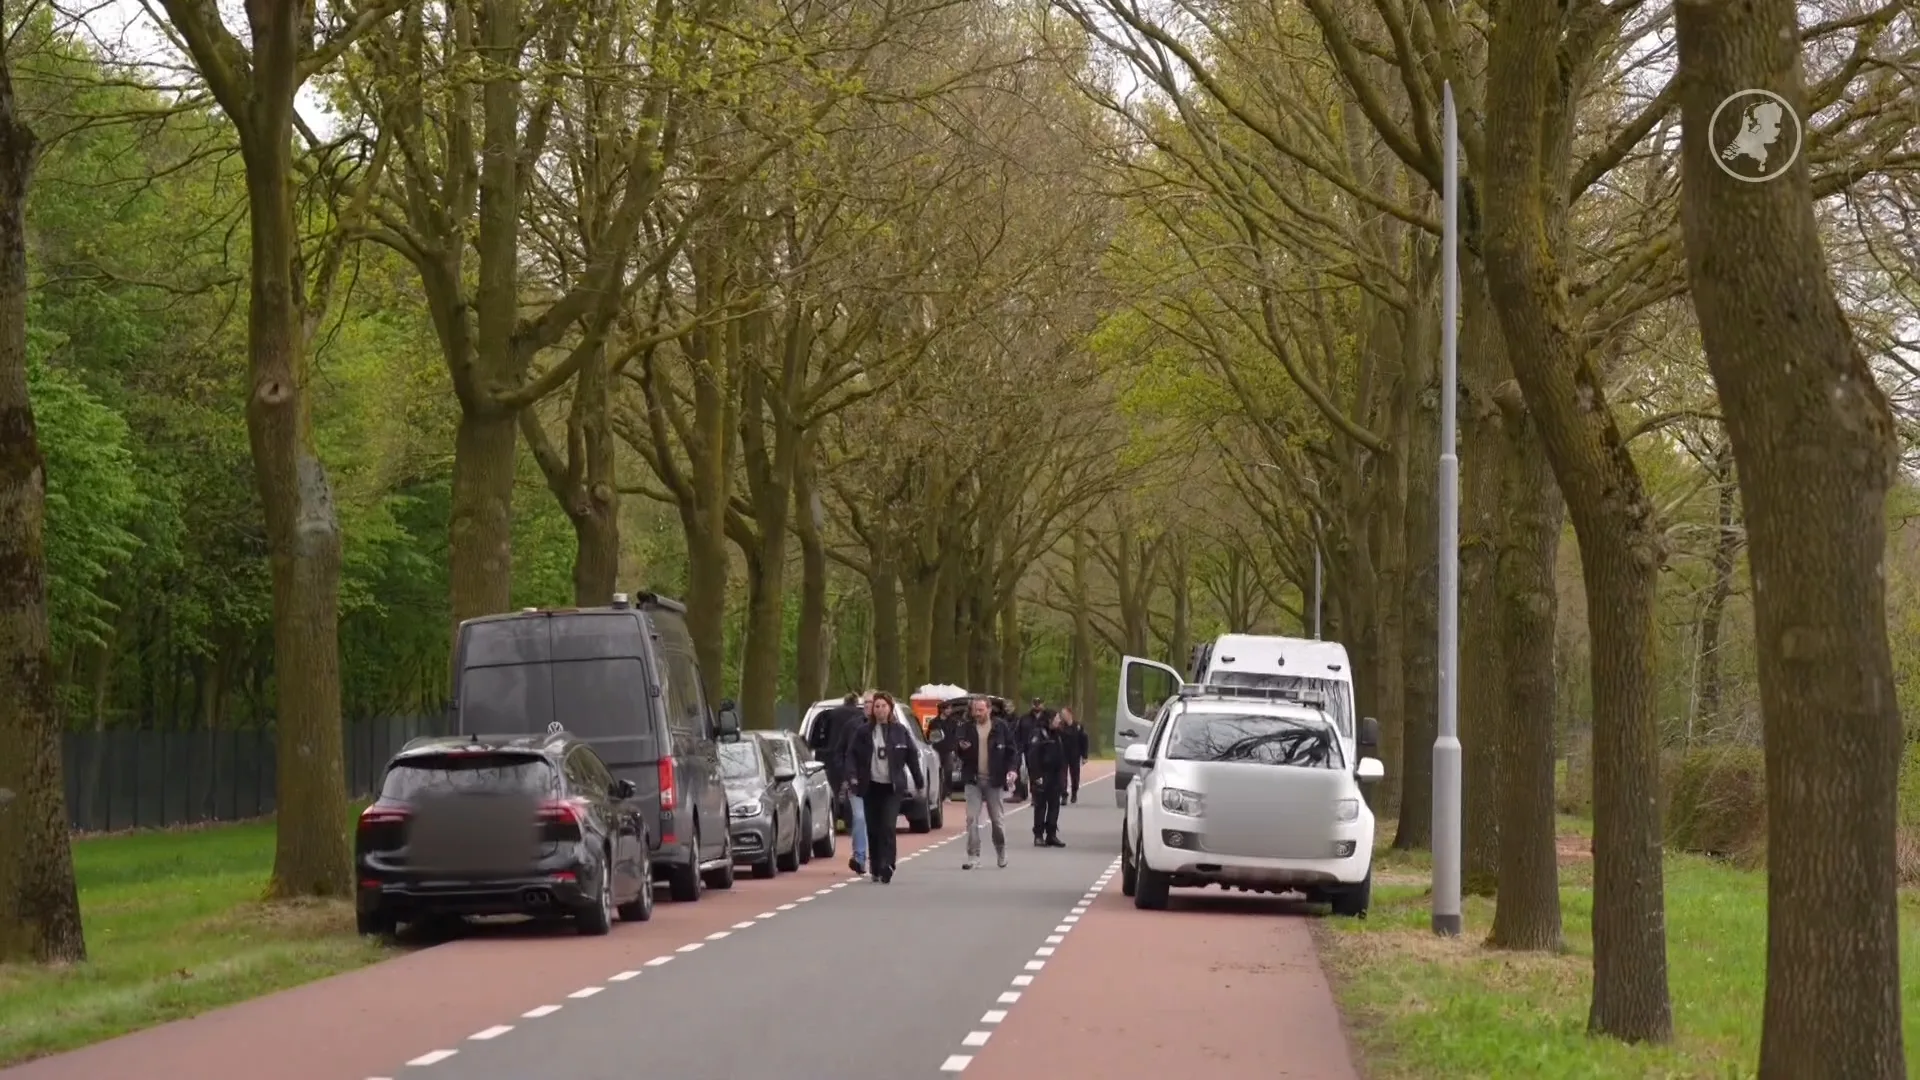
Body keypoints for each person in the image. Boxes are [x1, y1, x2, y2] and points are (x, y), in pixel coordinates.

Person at [840, 691, 924, 883]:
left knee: (887, 825)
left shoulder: (900, 731)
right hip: (870, 786)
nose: (880, 710)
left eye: (883, 706)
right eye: (876, 706)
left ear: (890, 708)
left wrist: (919, 782)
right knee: (874, 827)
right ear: (871, 710)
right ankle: (876, 866)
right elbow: (851, 756)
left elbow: (911, 757)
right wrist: (852, 777)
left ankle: (888, 864)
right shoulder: (863, 732)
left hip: (892, 787)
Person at [951, 697, 1019, 869]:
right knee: (971, 818)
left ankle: (1001, 851)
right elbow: (957, 749)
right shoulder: (967, 728)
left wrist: (1012, 770)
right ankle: (973, 855)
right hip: (973, 779)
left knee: (997, 820)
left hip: (994, 780)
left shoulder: (1000, 727)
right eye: (975, 710)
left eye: (981, 710)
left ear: (989, 710)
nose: (978, 713)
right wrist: (961, 748)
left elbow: (1012, 751)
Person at [813, 693, 869, 875]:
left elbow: (817, 739)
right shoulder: (855, 721)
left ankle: (838, 819)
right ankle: (858, 848)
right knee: (858, 814)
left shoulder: (830, 714)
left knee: (834, 794)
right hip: (853, 768)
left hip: (831, 759)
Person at [1027, 710, 1068, 847]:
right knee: (1040, 806)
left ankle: (1052, 834)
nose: (1059, 721)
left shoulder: (1057, 734)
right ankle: (1038, 835)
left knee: (1054, 805)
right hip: (1042, 774)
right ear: (1050, 719)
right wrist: (1036, 776)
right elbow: (1033, 757)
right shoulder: (1038, 734)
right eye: (1056, 718)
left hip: (1055, 774)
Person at [1012, 697, 1051, 802]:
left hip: (1045, 751)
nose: (1037, 706)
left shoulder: (1049, 718)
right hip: (1028, 750)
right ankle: (1033, 794)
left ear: (1043, 704)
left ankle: (1044, 792)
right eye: (1035, 703)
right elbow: (1017, 734)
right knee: (1031, 773)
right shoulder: (1024, 719)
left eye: (1039, 703)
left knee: (1043, 773)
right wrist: (1018, 748)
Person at [1060, 707, 1089, 803]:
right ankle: (1064, 794)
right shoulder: (1060, 727)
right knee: (1062, 775)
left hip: (1075, 754)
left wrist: (1084, 756)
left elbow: (1084, 741)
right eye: (1062, 714)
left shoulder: (1078, 726)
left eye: (1065, 714)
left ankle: (1074, 792)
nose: (1063, 716)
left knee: (1075, 775)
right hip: (1063, 754)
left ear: (1070, 714)